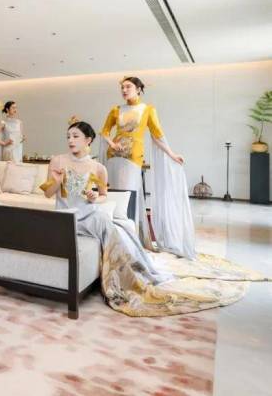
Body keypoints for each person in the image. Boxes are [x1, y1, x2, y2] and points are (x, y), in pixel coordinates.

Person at [41, 121, 256, 317]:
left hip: (90, 215)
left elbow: (104, 195)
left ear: (88, 140)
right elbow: (48, 194)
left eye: (75, 136)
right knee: (111, 227)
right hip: (65, 216)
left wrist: (95, 197)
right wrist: (56, 181)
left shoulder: (98, 168)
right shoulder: (57, 161)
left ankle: (135, 272)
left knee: (112, 227)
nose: (70, 140)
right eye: (68, 136)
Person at [99, 76, 194, 258]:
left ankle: (130, 241)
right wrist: (112, 144)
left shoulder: (148, 110)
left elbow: (157, 136)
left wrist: (172, 154)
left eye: (128, 87)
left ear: (138, 89)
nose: (124, 90)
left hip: (133, 158)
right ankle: (113, 239)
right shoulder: (116, 110)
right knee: (113, 197)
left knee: (129, 197)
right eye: (122, 87)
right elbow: (104, 132)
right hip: (113, 157)